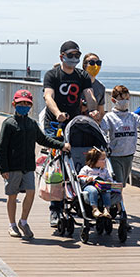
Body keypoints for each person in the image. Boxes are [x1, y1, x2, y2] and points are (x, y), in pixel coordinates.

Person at [0, 89, 71, 239]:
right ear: (14, 104)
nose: (24, 106)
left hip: (28, 166)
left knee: (30, 193)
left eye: (27, 103)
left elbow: (43, 140)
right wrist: (3, 168)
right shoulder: (9, 124)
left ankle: (23, 221)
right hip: (12, 167)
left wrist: (61, 145)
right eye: (20, 103)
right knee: (12, 196)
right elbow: (2, 148)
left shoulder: (32, 124)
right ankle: (12, 225)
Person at [43, 40, 98, 227]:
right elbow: (48, 96)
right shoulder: (52, 75)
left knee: (77, 159)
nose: (74, 59)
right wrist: (57, 112)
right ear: (62, 56)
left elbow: (88, 94)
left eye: (77, 56)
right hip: (54, 123)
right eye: (71, 55)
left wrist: (93, 109)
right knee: (58, 165)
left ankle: (81, 200)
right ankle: (55, 209)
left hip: (73, 123)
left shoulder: (81, 75)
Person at [100, 85, 140, 189]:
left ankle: (117, 202)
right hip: (115, 155)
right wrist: (106, 148)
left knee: (122, 184)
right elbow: (103, 132)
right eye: (121, 99)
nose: (125, 101)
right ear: (113, 100)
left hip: (129, 155)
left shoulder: (132, 117)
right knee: (118, 183)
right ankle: (118, 204)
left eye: (127, 99)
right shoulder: (109, 117)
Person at [78, 148, 113, 218]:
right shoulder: (86, 168)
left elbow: (109, 177)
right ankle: (95, 209)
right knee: (93, 190)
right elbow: (80, 177)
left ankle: (107, 209)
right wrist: (86, 179)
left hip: (102, 186)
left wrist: (109, 180)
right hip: (89, 185)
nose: (104, 161)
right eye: (102, 159)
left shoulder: (104, 170)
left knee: (107, 191)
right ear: (94, 160)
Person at [82, 53, 106, 122]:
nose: (96, 66)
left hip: (91, 125)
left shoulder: (101, 87)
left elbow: (101, 111)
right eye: (92, 63)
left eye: (98, 63)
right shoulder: (77, 83)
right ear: (84, 65)